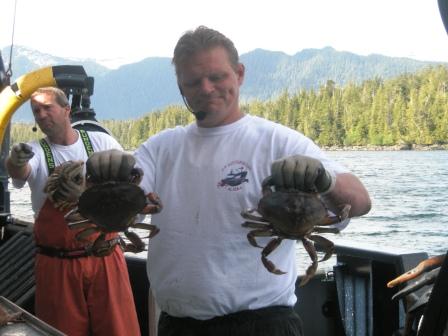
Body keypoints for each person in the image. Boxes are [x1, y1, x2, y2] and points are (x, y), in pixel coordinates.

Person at [87, 26, 372, 336]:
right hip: (178, 325)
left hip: (264, 324)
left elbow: (359, 202)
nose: (206, 89)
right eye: (193, 82)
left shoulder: (279, 141)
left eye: (217, 77)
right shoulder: (160, 148)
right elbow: (127, 208)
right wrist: (104, 174)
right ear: (181, 87)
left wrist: (324, 179)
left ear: (239, 73)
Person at [6, 87, 141, 336]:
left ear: (67, 109)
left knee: (119, 329)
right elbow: (19, 171)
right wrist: (16, 159)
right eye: (36, 111)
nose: (42, 114)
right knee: (61, 331)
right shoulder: (35, 151)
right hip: (58, 263)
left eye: (48, 107)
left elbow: (131, 180)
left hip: (106, 256)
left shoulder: (101, 142)